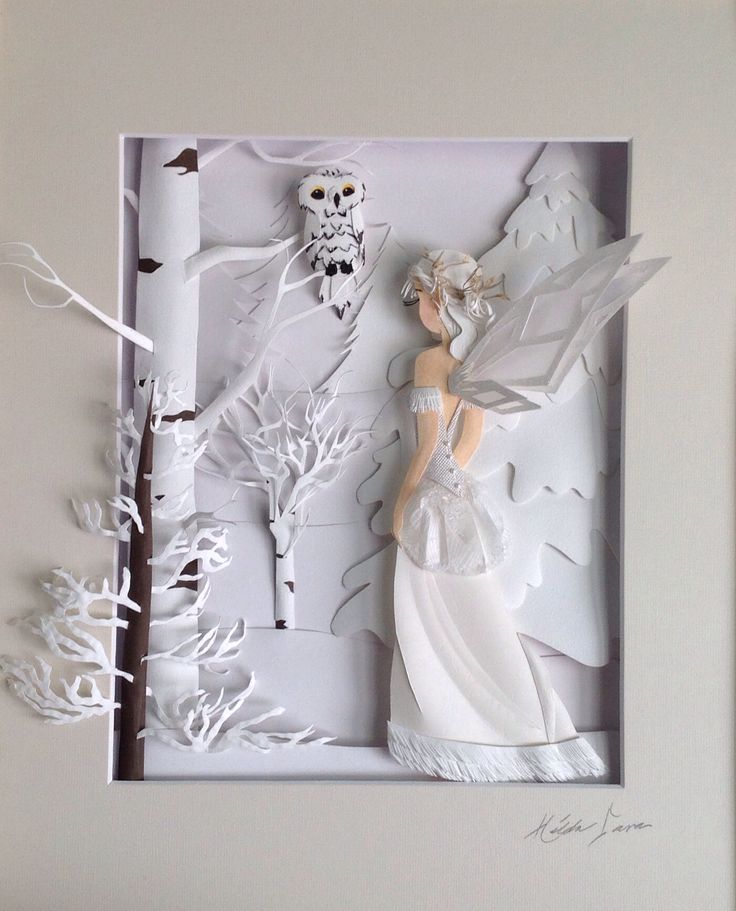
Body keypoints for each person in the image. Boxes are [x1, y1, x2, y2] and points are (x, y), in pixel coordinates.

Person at [388, 250, 606, 782]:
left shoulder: (428, 363)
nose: (419, 309)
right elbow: (469, 440)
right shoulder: (475, 363)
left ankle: (453, 725)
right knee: (476, 608)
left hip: (430, 499)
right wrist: (453, 481)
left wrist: (408, 499)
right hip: (457, 496)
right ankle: (523, 727)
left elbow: (428, 445)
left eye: (422, 298)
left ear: (440, 300)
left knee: (425, 611)